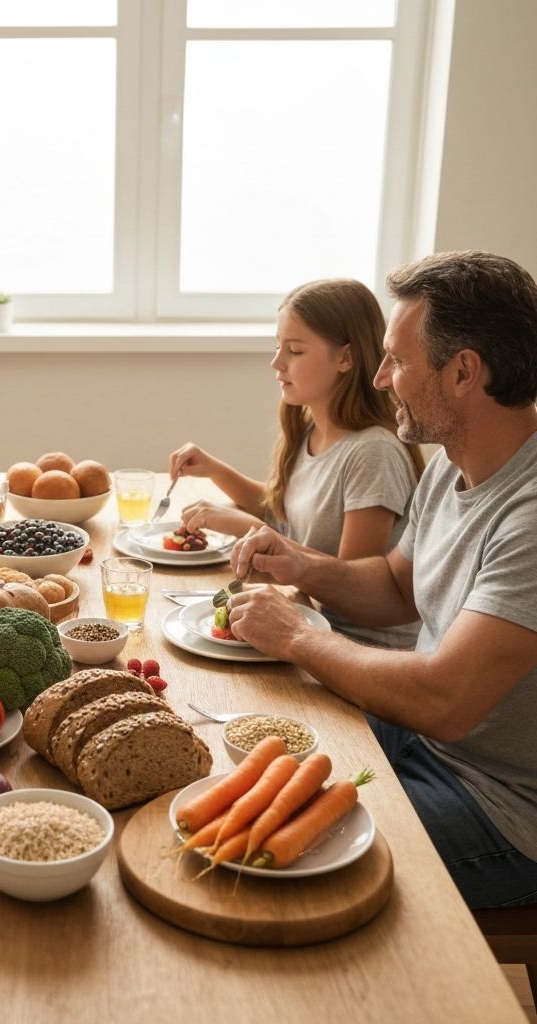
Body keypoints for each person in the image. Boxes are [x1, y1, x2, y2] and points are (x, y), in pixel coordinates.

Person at [226, 250, 537, 909]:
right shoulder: (449, 468)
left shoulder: (531, 514)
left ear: (462, 372)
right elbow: (397, 587)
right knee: (237, 753)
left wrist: (299, 640)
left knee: (263, 854)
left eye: (397, 359)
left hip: (501, 811)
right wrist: (298, 563)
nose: (381, 377)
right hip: (423, 743)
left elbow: (447, 700)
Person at [168, 279, 425, 648]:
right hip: (312, 623)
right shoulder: (308, 431)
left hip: (356, 646)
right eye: (277, 347)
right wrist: (216, 471)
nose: (277, 361)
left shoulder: (372, 453)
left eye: (295, 350)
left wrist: (250, 528)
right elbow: (287, 510)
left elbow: (352, 585)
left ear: (345, 358)